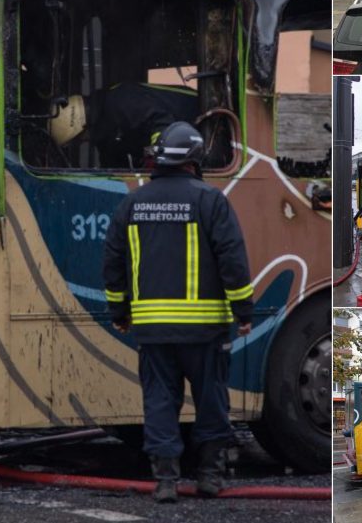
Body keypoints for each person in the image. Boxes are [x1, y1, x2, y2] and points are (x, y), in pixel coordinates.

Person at [102, 122, 254, 503]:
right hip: (206, 331)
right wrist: (243, 310)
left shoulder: (132, 203)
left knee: (159, 401)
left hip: (152, 330)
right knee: (212, 400)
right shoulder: (210, 200)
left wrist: (119, 311)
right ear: (194, 159)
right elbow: (232, 260)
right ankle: (209, 477)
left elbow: (114, 264)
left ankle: (166, 480)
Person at [49, 82, 199, 168]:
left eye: (79, 139)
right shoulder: (105, 133)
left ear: (82, 128)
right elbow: (113, 167)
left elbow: (162, 123)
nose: (83, 142)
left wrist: (153, 156)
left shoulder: (120, 101)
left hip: (200, 122)